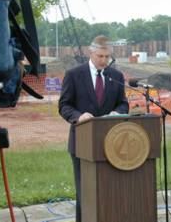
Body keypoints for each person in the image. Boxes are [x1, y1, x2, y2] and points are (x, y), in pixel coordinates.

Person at [58, 35, 129, 222]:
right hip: (82, 144)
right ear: (91, 53)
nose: (104, 61)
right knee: (86, 193)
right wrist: (78, 116)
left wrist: (117, 112)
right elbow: (64, 105)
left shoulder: (117, 76)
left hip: (111, 143)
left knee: (109, 191)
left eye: (107, 57)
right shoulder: (74, 75)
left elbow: (123, 104)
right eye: (100, 56)